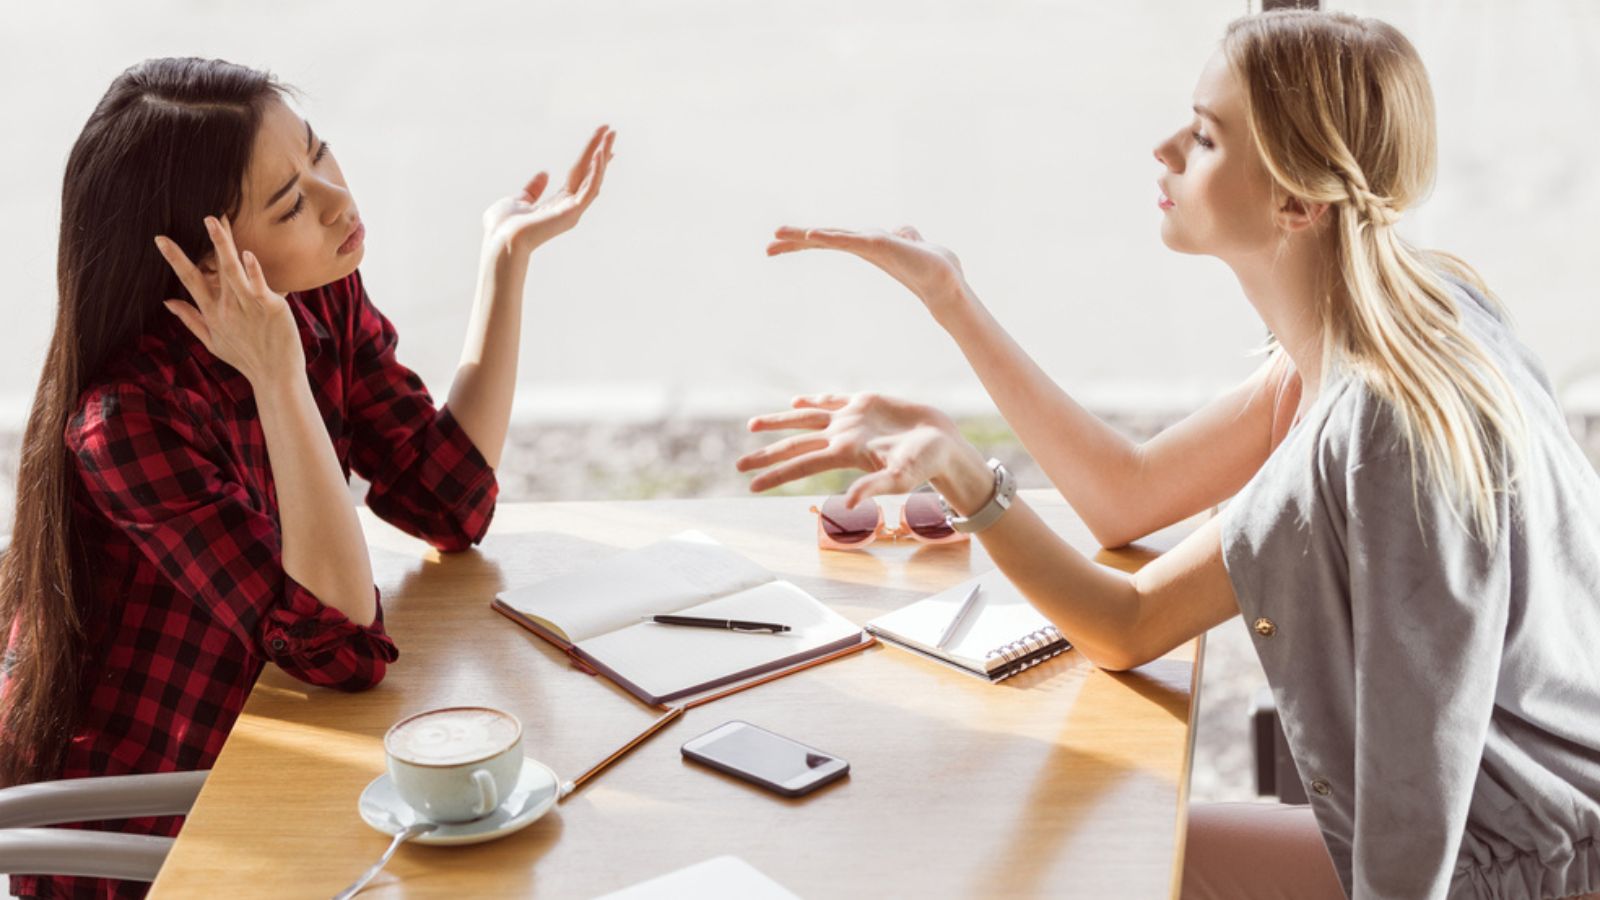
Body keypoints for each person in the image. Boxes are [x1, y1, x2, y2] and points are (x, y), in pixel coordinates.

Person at [737, 10, 1600, 899]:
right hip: (1525, 831)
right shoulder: (1396, 317)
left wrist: (964, 477)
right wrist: (950, 298)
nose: (1165, 149)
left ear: (1296, 203)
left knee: (1105, 863)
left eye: (1206, 136)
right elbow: (1129, 494)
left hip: (1524, 866)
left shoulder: (1380, 428)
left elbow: (1130, 629)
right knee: (1114, 846)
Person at [0, 57, 613, 898]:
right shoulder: (127, 421)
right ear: (202, 263)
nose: (336, 200)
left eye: (319, 152)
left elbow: (449, 500)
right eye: (290, 204)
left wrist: (505, 257)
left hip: (264, 758)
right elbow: (345, 648)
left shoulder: (316, 292)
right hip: (150, 828)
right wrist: (278, 376)